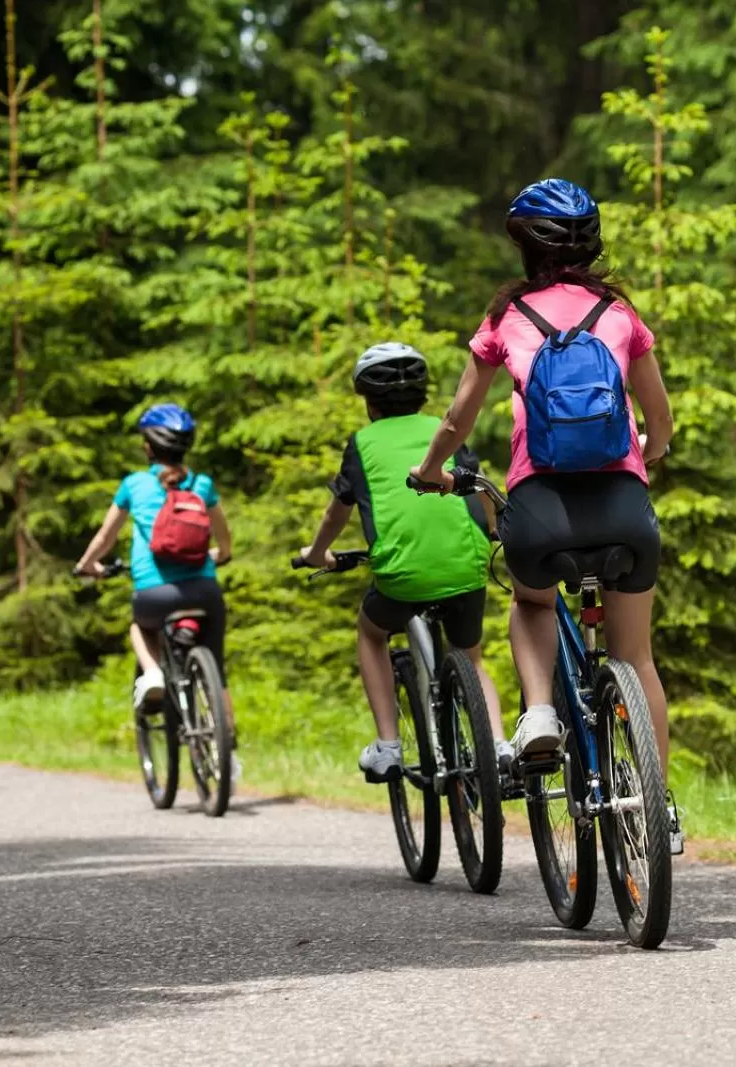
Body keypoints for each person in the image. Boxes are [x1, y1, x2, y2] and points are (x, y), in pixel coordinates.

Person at [407, 177, 683, 852]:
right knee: (636, 655)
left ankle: (536, 714)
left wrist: (431, 470)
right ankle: (659, 805)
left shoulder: (507, 316)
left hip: (541, 510)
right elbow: (661, 420)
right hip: (623, 509)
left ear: (525, 247)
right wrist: (647, 451)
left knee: (532, 601)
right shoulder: (619, 312)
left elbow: (457, 417)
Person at [298, 342, 506, 782]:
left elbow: (339, 510)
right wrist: (491, 531)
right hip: (467, 566)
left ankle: (389, 746)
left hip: (401, 576)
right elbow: (479, 486)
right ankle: (500, 746)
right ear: (423, 394)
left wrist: (317, 554)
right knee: (471, 658)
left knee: (371, 632)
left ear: (368, 401)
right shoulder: (443, 429)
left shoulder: (362, 443)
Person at [75, 403, 235, 725]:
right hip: (204, 591)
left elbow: (105, 538)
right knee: (217, 673)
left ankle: (152, 674)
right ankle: (226, 743)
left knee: (140, 625)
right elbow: (224, 537)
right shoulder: (202, 485)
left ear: (148, 447)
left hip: (154, 593)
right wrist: (222, 554)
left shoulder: (134, 484)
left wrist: (87, 565)